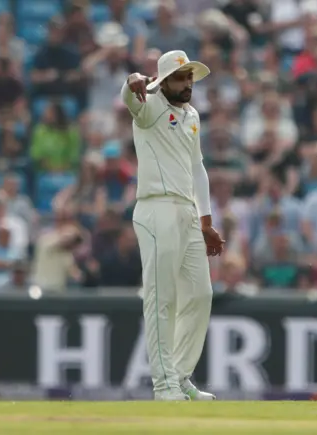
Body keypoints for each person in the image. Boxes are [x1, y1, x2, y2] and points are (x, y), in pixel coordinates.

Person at [122, 50, 224, 401]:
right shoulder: (148, 106)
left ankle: (179, 376)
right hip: (155, 209)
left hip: (187, 212)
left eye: (190, 78)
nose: (188, 85)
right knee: (161, 298)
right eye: (180, 78)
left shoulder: (192, 114)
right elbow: (131, 99)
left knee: (200, 294)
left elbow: (198, 169)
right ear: (162, 82)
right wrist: (132, 80)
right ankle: (163, 385)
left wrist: (206, 221)